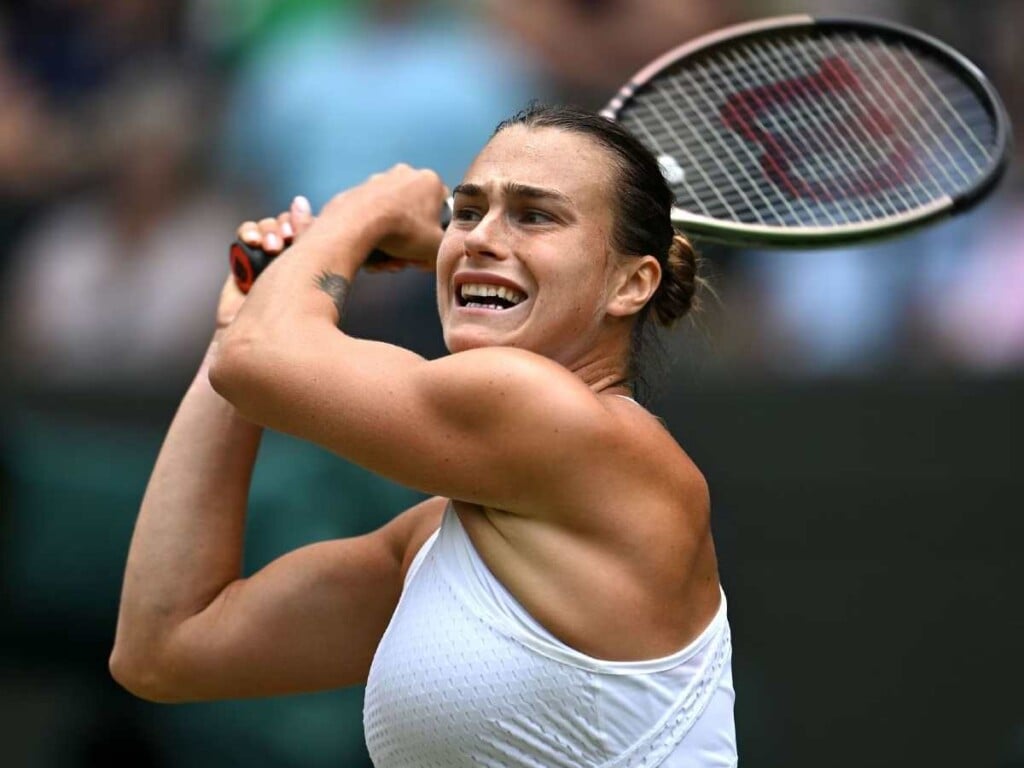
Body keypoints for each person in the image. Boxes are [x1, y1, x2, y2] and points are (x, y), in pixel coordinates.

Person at [110, 104, 737, 767]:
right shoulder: (430, 545)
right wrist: (234, 328)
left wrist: (365, 208)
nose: (479, 237)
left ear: (632, 283)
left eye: (534, 216)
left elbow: (260, 360)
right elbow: (164, 646)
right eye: (466, 213)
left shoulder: (559, 420)